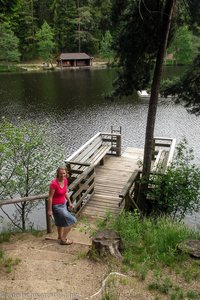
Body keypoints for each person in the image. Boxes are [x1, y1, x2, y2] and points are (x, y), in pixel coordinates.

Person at [48, 166, 77, 245]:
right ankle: (63, 239)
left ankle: (60, 237)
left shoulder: (65, 180)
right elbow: (50, 197)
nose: (62, 175)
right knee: (72, 220)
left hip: (63, 204)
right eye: (60, 173)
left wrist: (69, 202)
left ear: (66, 173)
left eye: (64, 173)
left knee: (60, 222)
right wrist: (50, 210)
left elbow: (65, 192)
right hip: (56, 206)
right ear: (57, 173)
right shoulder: (54, 184)